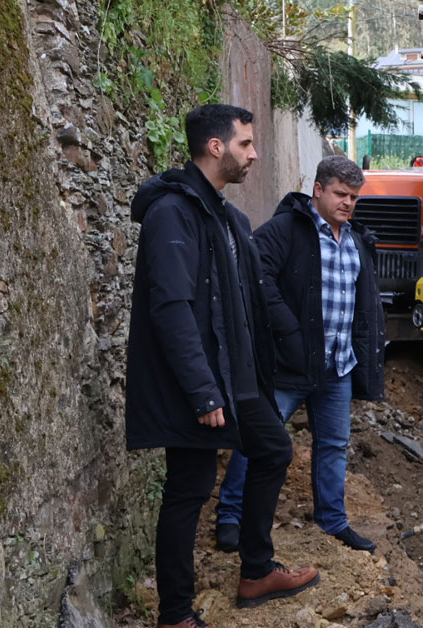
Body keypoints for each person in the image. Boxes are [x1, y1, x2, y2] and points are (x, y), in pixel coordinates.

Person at [126, 104, 319, 628]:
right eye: (245, 145)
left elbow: (244, 302)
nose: (254, 154)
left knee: (274, 449)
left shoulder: (227, 218)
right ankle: (175, 614)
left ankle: (256, 571)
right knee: (187, 489)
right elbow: (171, 309)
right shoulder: (172, 213)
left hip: (238, 382)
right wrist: (203, 391)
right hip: (198, 385)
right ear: (216, 147)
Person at [214, 155, 386, 554]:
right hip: (289, 365)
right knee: (258, 439)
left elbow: (362, 305)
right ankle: (230, 518)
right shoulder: (286, 230)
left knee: (333, 445)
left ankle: (332, 521)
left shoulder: (356, 240)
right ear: (319, 190)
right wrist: (288, 330)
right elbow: (254, 278)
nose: (348, 203)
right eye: (341, 194)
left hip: (337, 367)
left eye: (354, 197)